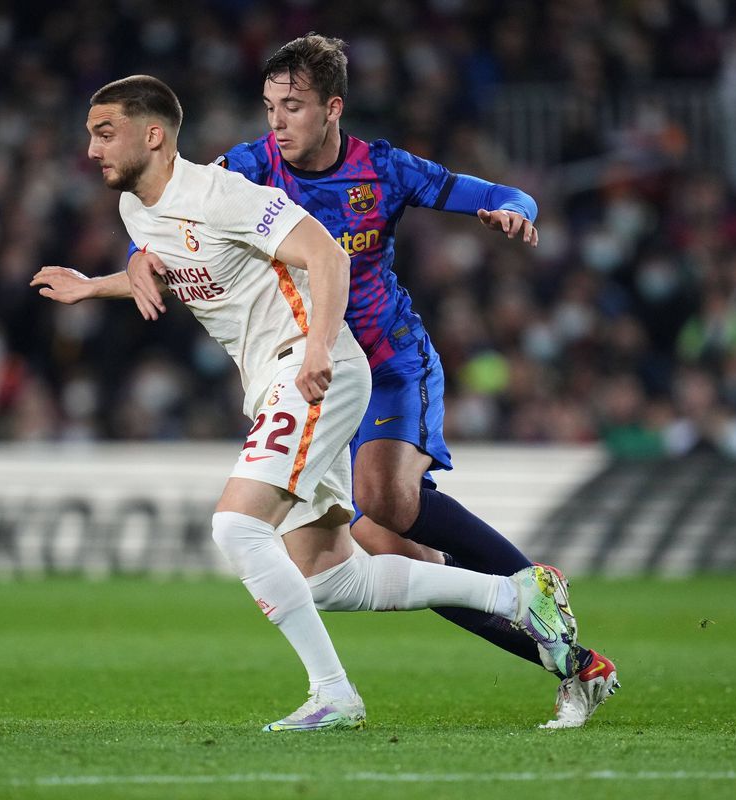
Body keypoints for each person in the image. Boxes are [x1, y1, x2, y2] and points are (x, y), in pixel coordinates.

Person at [32, 74, 579, 732]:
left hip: (316, 368)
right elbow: (191, 268)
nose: (90, 148)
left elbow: (326, 256)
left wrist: (318, 346)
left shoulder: (224, 192)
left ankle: (334, 694)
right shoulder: (135, 212)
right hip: (275, 379)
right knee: (326, 576)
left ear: (153, 135)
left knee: (239, 527)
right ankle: (515, 594)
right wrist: (98, 285)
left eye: (104, 132)